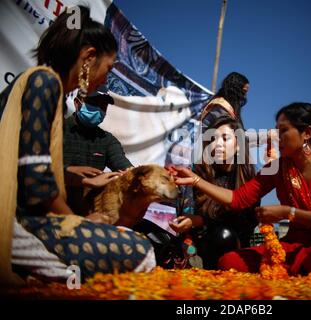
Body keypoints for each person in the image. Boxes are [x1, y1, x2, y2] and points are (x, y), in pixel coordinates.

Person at [0, 6, 156, 286]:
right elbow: (36, 186)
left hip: (27, 217)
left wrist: (72, 176)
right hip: (18, 222)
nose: (106, 78)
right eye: (108, 68)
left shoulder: (48, 89)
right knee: (141, 252)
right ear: (88, 57)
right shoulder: (45, 83)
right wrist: (78, 223)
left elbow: (26, 167)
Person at [169, 102, 311, 276]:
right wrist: (195, 180)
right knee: (230, 261)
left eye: (283, 131)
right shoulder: (277, 169)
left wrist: (288, 213)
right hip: (295, 247)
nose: (275, 136)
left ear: (307, 133)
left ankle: (297, 269)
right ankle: (297, 269)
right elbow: (238, 199)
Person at [169, 117, 258, 269]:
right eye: (212, 139)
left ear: (238, 146)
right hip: (197, 245)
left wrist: (201, 220)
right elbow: (187, 215)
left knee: (224, 235)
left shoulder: (248, 177)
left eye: (225, 138)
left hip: (233, 246)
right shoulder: (197, 172)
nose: (217, 144)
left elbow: (246, 223)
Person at [64, 90, 133, 214]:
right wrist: (70, 171)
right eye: (94, 103)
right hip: (53, 205)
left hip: (87, 212)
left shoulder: (107, 140)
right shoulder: (58, 130)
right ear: (77, 103)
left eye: (103, 106)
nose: (99, 109)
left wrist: (136, 174)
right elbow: (43, 169)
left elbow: (123, 165)